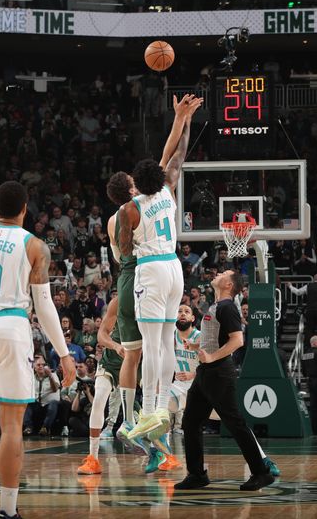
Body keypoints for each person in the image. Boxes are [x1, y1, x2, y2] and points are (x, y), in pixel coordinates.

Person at [0, 181, 75, 519]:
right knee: (10, 425)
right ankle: (7, 510)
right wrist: (64, 353)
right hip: (12, 327)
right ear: (24, 210)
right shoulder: (34, 245)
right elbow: (45, 305)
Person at [120, 94, 202, 442]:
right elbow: (176, 154)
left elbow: (125, 249)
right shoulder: (169, 189)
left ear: (136, 184)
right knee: (167, 342)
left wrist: (131, 240)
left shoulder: (130, 208)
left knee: (151, 344)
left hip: (151, 269)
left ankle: (153, 409)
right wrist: (183, 122)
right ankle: (160, 405)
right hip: (174, 267)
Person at [175, 270, 275, 492]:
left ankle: (261, 472)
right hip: (205, 372)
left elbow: (237, 340)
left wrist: (211, 356)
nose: (218, 273)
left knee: (235, 423)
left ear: (228, 284)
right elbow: (214, 338)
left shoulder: (228, 307)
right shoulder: (216, 305)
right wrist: (198, 348)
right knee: (190, 422)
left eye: (223, 273)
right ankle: (197, 474)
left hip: (219, 372)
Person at [104, 171, 146, 456]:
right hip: (144, 277)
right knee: (152, 354)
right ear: (131, 189)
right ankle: (141, 421)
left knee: (135, 357)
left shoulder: (111, 221)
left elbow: (118, 257)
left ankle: (130, 420)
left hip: (125, 277)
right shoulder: (141, 208)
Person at [77, 295, 125, 476]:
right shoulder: (117, 301)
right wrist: (115, 346)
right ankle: (93, 458)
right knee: (98, 401)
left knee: (147, 409)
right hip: (110, 362)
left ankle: (161, 453)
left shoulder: (149, 301)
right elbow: (101, 335)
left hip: (135, 362)